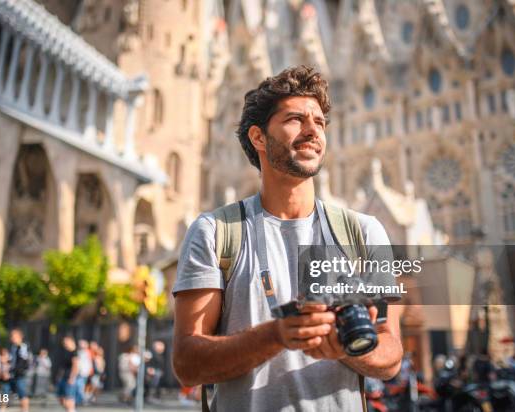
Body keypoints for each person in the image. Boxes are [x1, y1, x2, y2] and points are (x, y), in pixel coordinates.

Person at [172, 66, 403, 411]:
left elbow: (392, 355)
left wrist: (349, 348)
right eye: (295, 119)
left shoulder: (364, 232)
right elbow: (187, 364)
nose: (313, 131)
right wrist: (277, 335)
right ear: (258, 138)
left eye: (320, 122)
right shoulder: (214, 232)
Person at [4, 329, 30, 412]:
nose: (11, 338)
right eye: (11, 336)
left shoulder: (23, 347)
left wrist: (11, 371)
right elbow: (13, 361)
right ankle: (2, 409)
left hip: (19, 375)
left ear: (20, 337)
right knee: (5, 391)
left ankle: (25, 410)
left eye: (13, 336)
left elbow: (22, 363)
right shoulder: (13, 347)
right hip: (12, 374)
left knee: (22, 394)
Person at [57, 336, 78, 412]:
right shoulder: (65, 352)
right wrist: (59, 376)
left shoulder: (74, 352)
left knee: (69, 399)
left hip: (69, 378)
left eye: (66, 342)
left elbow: (75, 366)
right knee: (61, 398)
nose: (65, 344)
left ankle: (71, 410)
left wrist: (72, 378)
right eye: (64, 343)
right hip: (63, 377)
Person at [75, 339, 93, 405]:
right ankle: (79, 399)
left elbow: (89, 363)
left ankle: (80, 400)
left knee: (80, 386)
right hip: (78, 372)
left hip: (84, 372)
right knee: (78, 386)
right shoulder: (78, 352)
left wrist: (89, 371)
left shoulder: (87, 353)